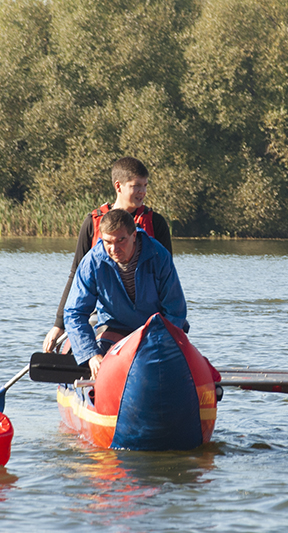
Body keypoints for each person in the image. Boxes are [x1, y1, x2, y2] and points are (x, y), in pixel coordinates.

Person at [43, 157, 172, 352]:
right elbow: (75, 274)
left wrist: (170, 325)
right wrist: (59, 324)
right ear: (118, 186)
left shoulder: (156, 223)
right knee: (77, 349)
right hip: (101, 315)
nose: (143, 192)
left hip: (147, 316)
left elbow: (167, 280)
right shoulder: (92, 222)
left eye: (145, 186)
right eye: (137, 186)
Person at [64, 208, 188, 379]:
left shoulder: (159, 256)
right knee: (102, 370)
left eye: (121, 240)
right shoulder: (92, 262)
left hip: (155, 332)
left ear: (134, 236)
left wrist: (160, 345)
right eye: (108, 242)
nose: (114, 248)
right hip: (114, 330)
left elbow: (175, 310)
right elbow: (74, 313)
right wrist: (91, 355)